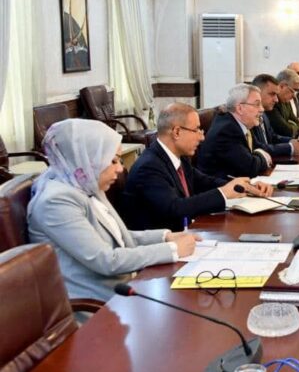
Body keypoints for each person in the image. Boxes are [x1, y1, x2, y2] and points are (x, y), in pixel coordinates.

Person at [27, 119, 199, 301]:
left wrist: (165, 237)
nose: (120, 168)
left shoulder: (84, 182)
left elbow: (118, 238)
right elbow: (106, 260)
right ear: (88, 159)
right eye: (113, 160)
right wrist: (172, 250)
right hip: (95, 303)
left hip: (124, 287)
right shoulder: (56, 202)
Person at [124, 103, 272, 232]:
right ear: (176, 132)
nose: (202, 137)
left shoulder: (179, 157)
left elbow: (204, 181)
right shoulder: (149, 167)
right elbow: (175, 208)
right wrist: (223, 193)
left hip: (187, 234)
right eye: (196, 130)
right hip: (163, 246)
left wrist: (246, 187)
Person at [196, 84, 272, 177]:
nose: (262, 109)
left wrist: (258, 154)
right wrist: (263, 157)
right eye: (257, 104)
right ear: (240, 108)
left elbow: (257, 147)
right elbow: (250, 167)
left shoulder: (242, 124)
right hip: (221, 184)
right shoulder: (226, 131)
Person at [251, 74, 299, 157]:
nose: (276, 100)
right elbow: (257, 148)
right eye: (272, 94)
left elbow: (272, 137)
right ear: (257, 93)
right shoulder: (249, 117)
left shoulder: (264, 114)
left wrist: (292, 141)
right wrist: (290, 147)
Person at [265, 68, 299, 138]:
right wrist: (294, 127)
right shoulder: (271, 103)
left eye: (296, 92)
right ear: (281, 86)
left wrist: (293, 126)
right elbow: (287, 131)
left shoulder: (286, 101)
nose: (294, 96)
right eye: (293, 91)